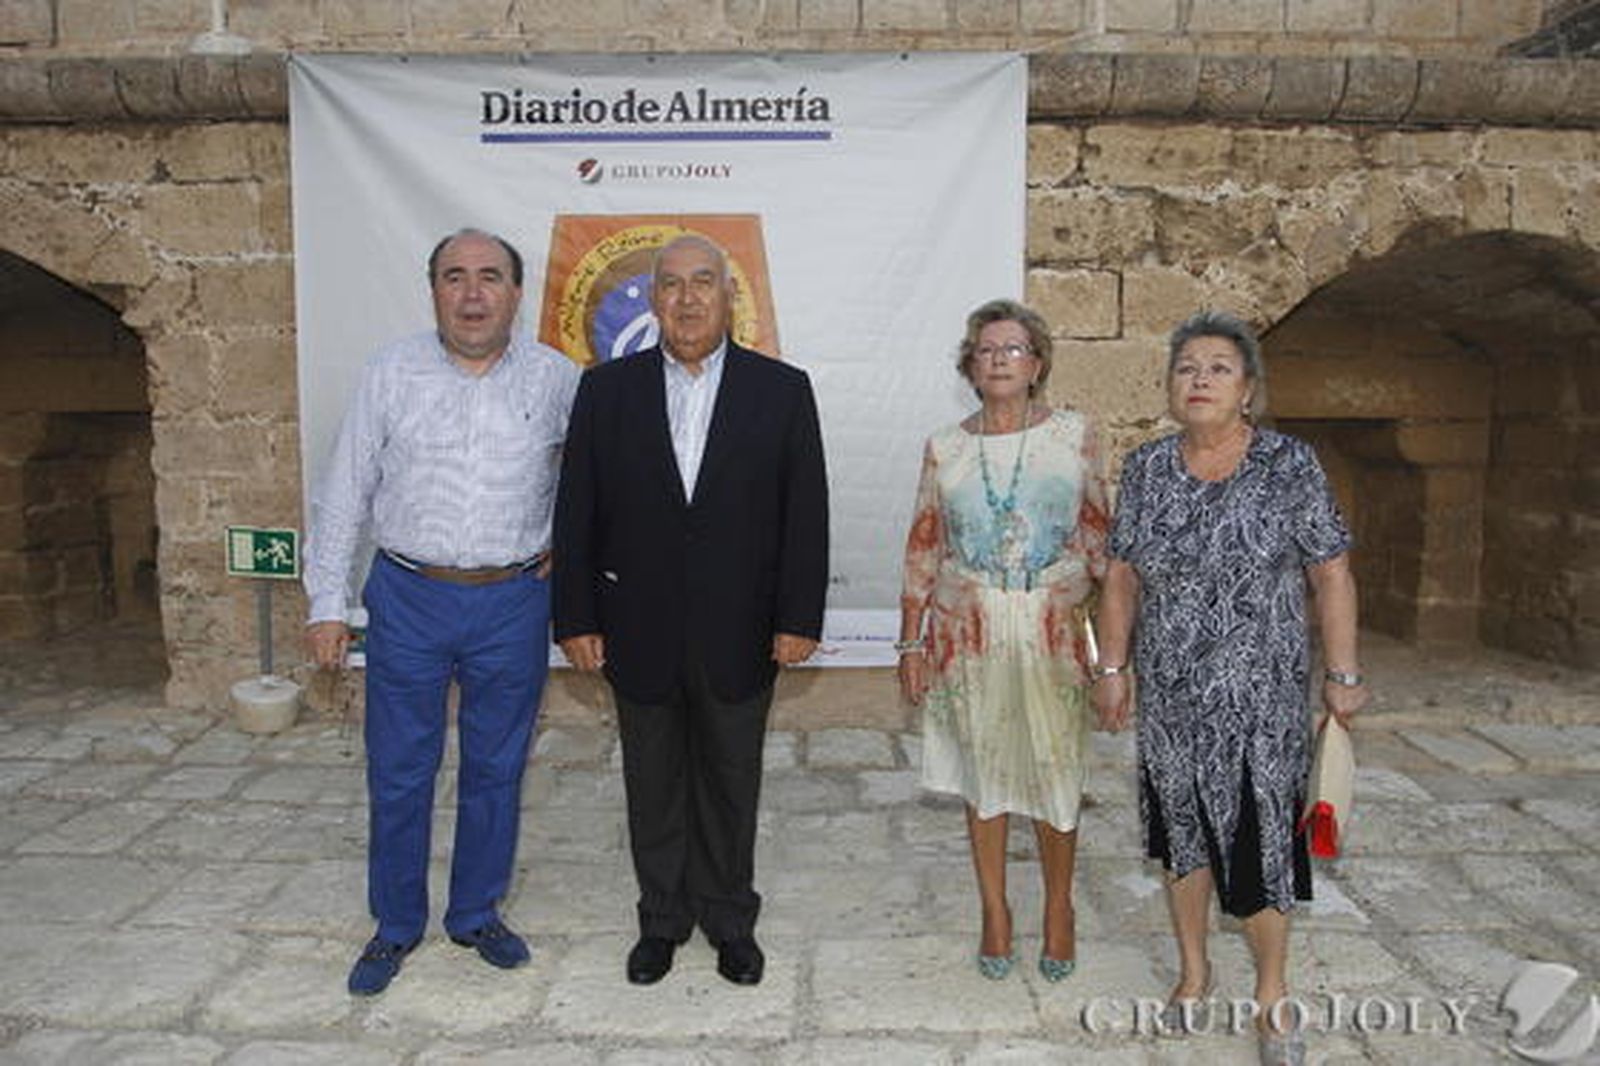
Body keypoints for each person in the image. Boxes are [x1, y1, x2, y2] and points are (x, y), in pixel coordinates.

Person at [304, 228, 580, 996]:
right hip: (409, 595)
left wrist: (570, 544)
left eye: (489, 277)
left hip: (514, 601)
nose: (471, 293)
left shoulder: (559, 380)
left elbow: (592, 481)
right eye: (454, 277)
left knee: (497, 767)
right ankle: (395, 926)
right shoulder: (390, 372)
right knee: (399, 770)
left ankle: (475, 913)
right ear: (433, 290)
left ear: (516, 294)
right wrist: (328, 602)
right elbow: (345, 488)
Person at [1092, 310, 1369, 1065]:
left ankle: (1273, 994)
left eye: (1218, 367)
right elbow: (1120, 575)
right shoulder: (1148, 467)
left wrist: (1343, 674)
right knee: (1180, 837)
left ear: (1248, 388)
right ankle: (1193, 973)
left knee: (1258, 844)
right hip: (1173, 697)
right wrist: (1112, 669)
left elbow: (1331, 571)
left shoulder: (1288, 464)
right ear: (1170, 388)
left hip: (1262, 699)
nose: (1201, 379)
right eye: (1187, 368)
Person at [552, 234, 829, 988]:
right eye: (670, 284)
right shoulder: (606, 392)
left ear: (728, 294)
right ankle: (663, 921)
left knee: (732, 780)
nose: (687, 298)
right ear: (654, 298)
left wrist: (799, 618)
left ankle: (730, 921)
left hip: (742, 628)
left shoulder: (782, 390)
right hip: (635, 627)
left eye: (702, 281)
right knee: (654, 782)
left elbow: (805, 513)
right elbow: (576, 511)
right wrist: (575, 618)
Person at [898, 298, 1111, 982]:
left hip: (1052, 632)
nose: (998, 359)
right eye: (987, 350)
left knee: (1056, 773)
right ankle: (994, 910)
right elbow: (923, 548)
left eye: (1012, 349)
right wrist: (909, 644)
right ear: (970, 364)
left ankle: (1058, 909)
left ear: (1037, 364)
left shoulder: (1075, 437)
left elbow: (1104, 542)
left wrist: (1114, 656)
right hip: (971, 633)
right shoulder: (946, 447)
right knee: (981, 773)